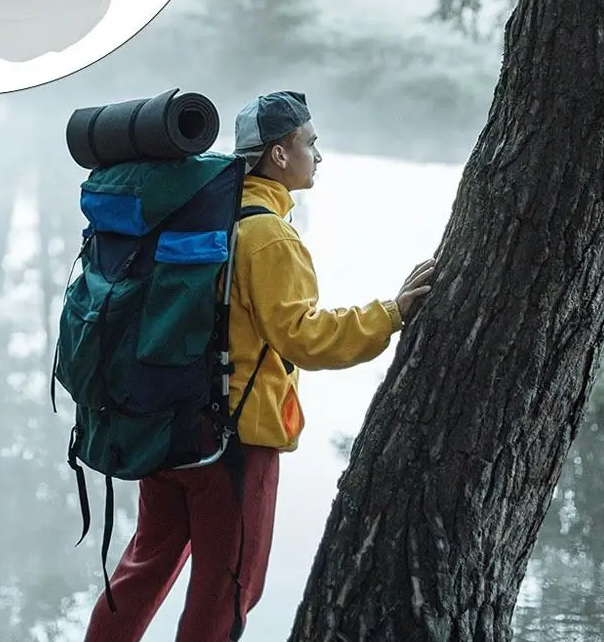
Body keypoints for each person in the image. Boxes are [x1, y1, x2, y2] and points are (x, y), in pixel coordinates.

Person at [84, 91, 437, 642]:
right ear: (278, 154)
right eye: (309, 143)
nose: (318, 156)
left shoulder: (199, 217)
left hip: (164, 425)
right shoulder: (269, 235)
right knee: (225, 591)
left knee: (142, 569)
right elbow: (305, 338)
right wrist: (392, 313)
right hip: (233, 443)